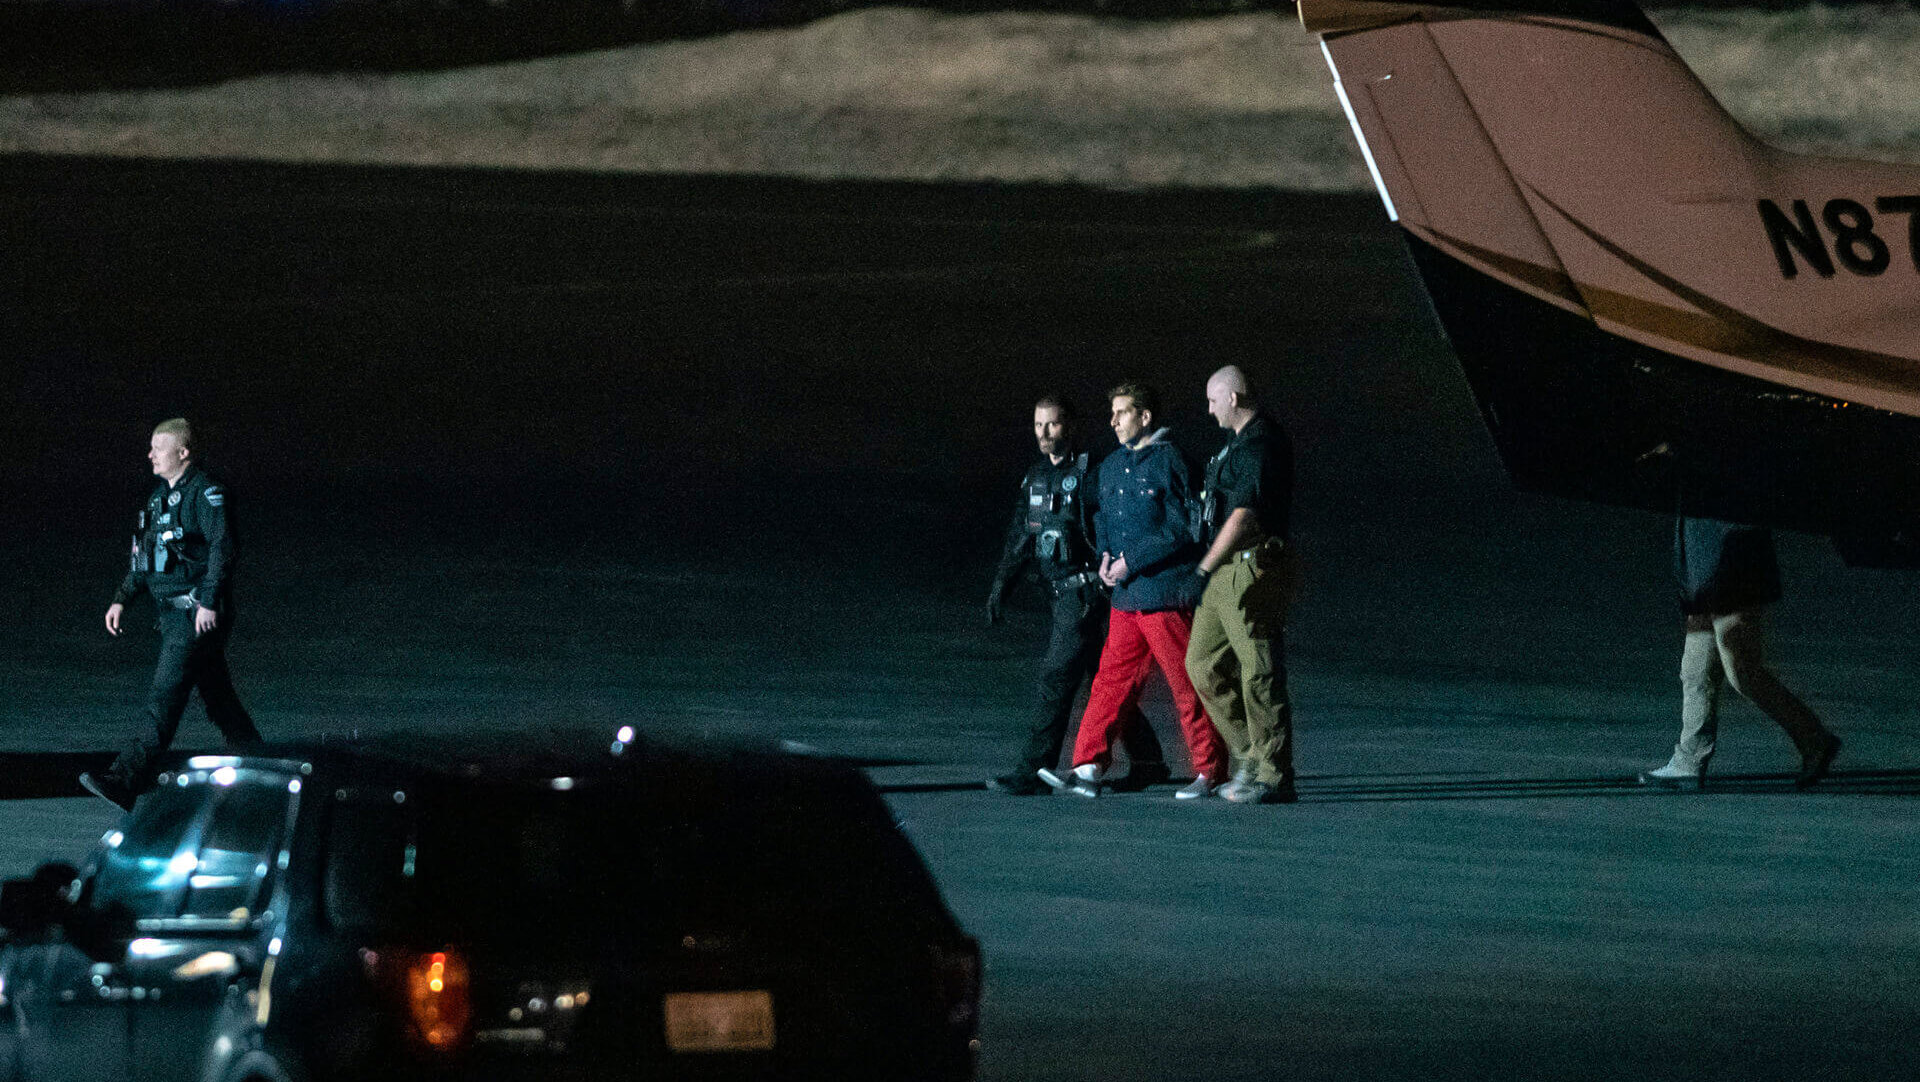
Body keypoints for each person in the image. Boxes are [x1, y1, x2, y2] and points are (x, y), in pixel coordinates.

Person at [1041, 383, 1228, 799]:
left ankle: (1211, 769)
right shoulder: (1111, 467)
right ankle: (1088, 765)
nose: (1113, 421)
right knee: (1111, 681)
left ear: (1145, 417)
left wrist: (1132, 560)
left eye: (1122, 412)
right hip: (1126, 597)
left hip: (1164, 595)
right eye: (1112, 412)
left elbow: (1183, 526)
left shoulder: (1171, 461)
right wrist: (1106, 556)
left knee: (1187, 683)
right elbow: (1102, 517)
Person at [985, 395, 1169, 795]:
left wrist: (1115, 569)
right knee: (1102, 681)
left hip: (1083, 595)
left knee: (1056, 677)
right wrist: (1002, 584)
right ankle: (1149, 761)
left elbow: (1116, 522)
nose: (1044, 433)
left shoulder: (1092, 474)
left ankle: (1034, 769)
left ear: (1069, 426)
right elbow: (1021, 534)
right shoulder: (1036, 476)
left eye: (1052, 424)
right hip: (1057, 595)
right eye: (1038, 425)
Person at [81, 419, 261, 811]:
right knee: (220, 701)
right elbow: (145, 557)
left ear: (183, 452)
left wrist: (209, 601)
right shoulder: (158, 499)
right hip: (173, 615)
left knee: (164, 697)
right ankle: (262, 766)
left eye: (158, 448)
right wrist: (122, 599)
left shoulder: (206, 494)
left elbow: (223, 548)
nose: (150, 455)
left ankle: (125, 779)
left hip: (194, 615)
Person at [1639, 516, 1841, 791]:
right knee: (1696, 665)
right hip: (1703, 538)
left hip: (1732, 542)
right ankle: (1689, 760)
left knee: (1741, 668)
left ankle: (1814, 738)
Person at [1185, 365, 1299, 804]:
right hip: (1224, 569)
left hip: (1250, 568)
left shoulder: (1261, 445)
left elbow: (1244, 515)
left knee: (1259, 672)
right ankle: (1250, 755)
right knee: (1202, 664)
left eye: (1213, 400)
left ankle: (1273, 775)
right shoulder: (1234, 446)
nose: (1209, 410)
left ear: (1233, 398)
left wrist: (1202, 569)